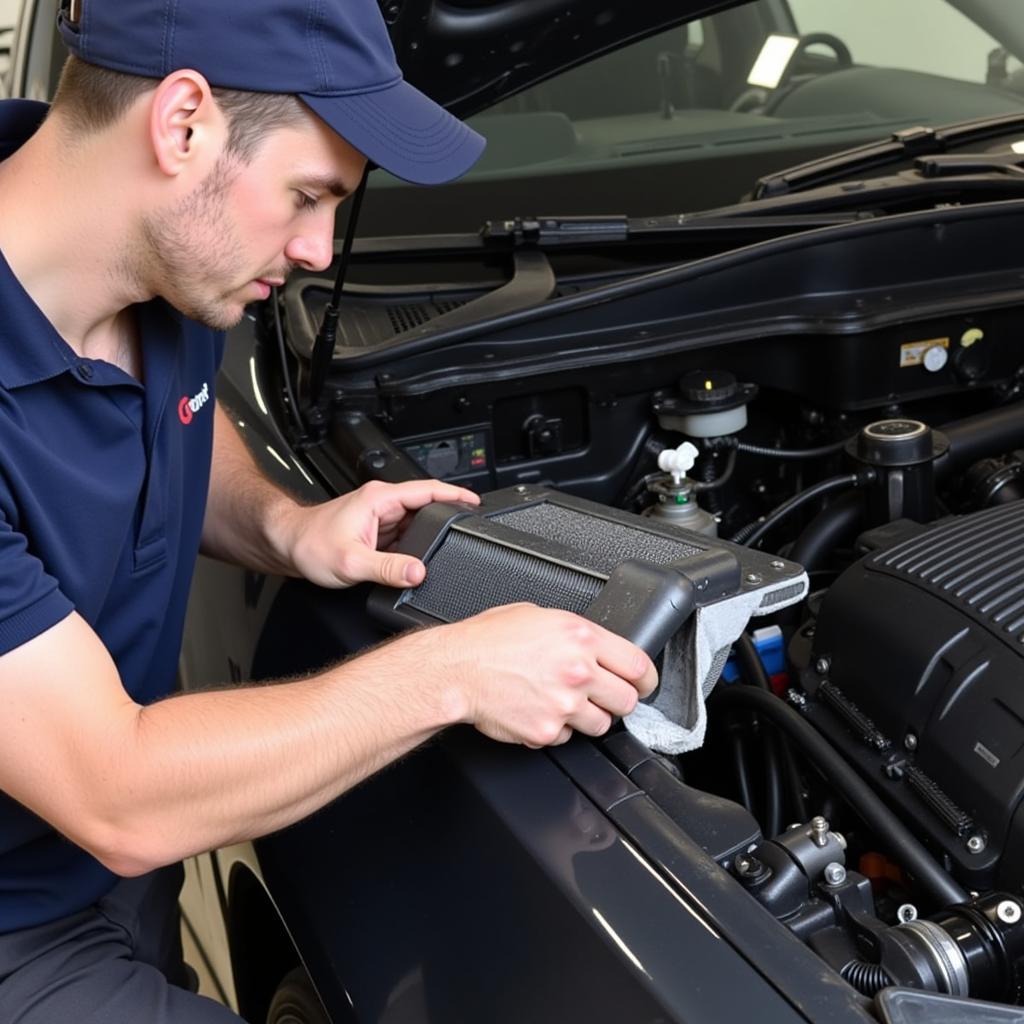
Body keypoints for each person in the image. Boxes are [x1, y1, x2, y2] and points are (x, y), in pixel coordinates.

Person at [0, 0, 658, 1020]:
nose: (317, 249)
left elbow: (173, 412)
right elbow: (116, 791)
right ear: (182, 125)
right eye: (309, 196)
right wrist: (453, 671)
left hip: (111, 872)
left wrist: (284, 526)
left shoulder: (146, 259)